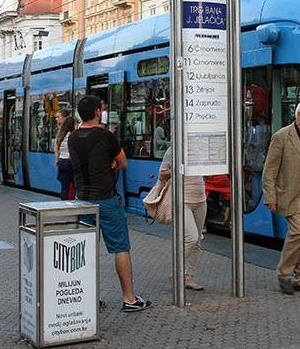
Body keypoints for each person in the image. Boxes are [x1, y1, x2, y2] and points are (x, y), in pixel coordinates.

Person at [68, 96, 151, 312]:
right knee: (120, 247)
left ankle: (87, 298)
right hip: (105, 199)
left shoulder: (73, 138)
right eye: (102, 109)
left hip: (81, 199)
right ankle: (129, 298)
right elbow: (123, 163)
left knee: (85, 249)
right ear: (97, 111)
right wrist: (111, 164)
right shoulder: (106, 136)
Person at [262, 98, 300, 295]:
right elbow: (270, 170)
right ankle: (284, 274)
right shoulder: (282, 137)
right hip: (293, 194)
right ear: (299, 115)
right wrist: (270, 197)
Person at [159, 145, 207, 291]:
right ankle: (176, 272)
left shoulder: (200, 146)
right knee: (191, 237)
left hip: (200, 199)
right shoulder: (173, 149)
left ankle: (189, 277)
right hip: (182, 199)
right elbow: (162, 174)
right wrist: (179, 169)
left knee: (197, 240)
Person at [55, 115, 76, 200]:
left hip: (61, 161)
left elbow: (56, 150)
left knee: (64, 187)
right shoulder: (73, 135)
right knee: (75, 185)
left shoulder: (60, 135)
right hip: (69, 162)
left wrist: (57, 160)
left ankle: (63, 204)